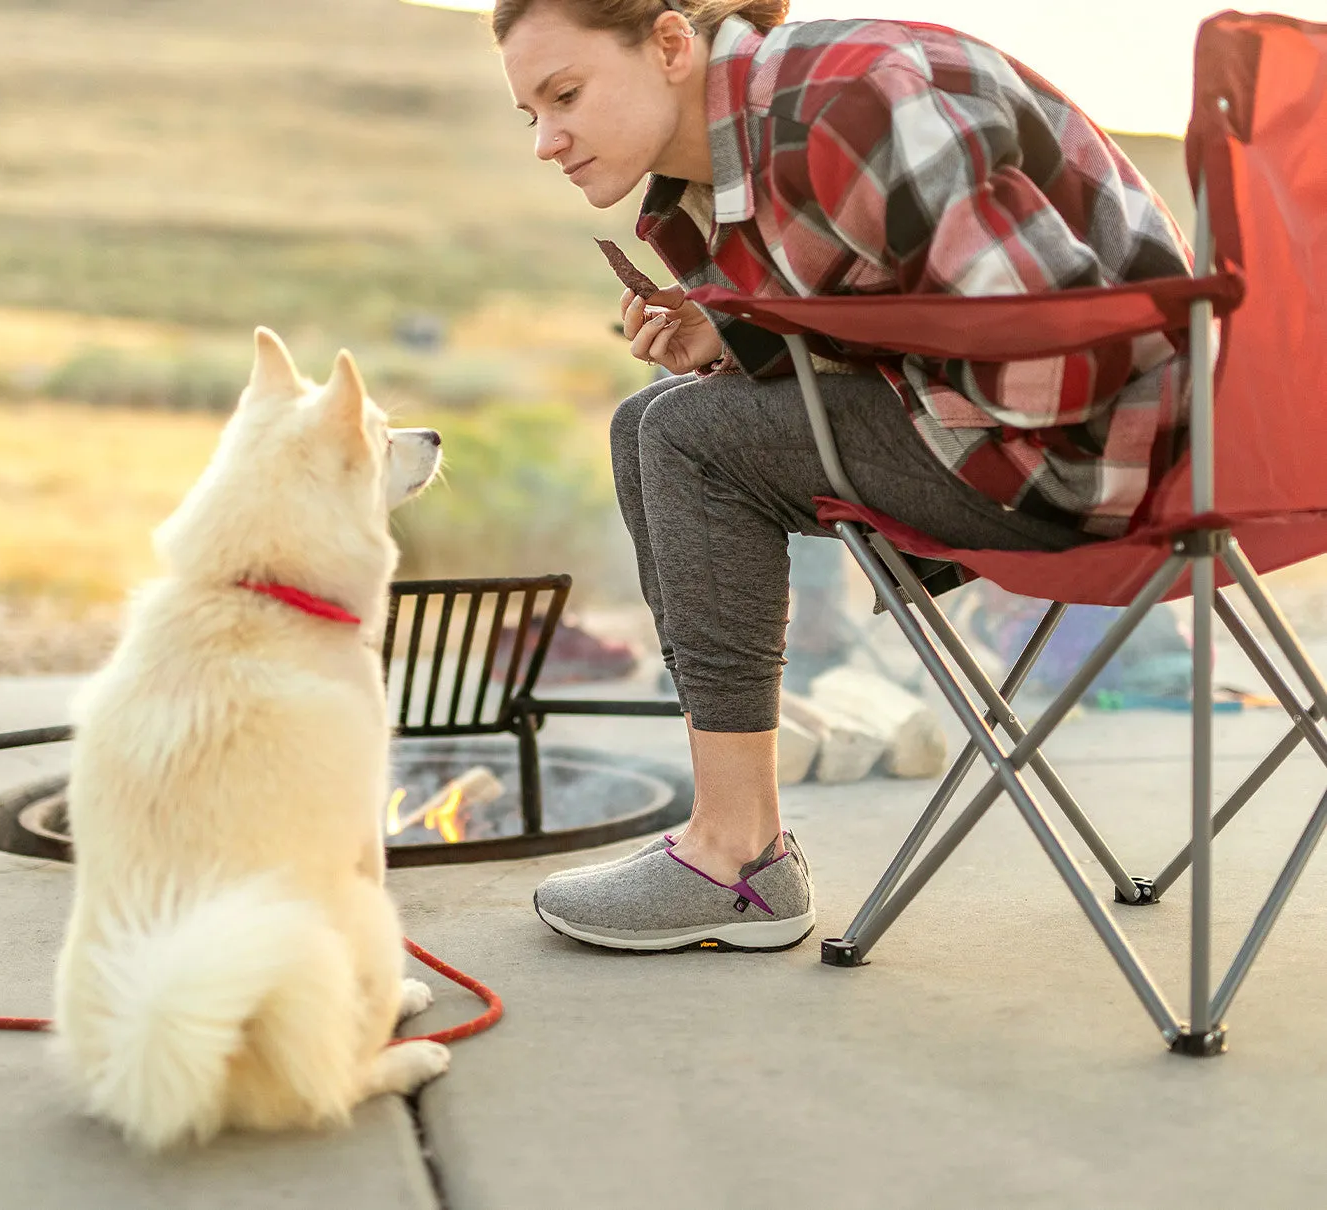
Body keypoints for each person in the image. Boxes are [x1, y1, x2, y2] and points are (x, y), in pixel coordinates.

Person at [496, 0, 1192, 952]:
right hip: (1055, 442)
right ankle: (739, 843)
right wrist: (743, 335)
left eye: (564, 95)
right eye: (530, 113)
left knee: (688, 439)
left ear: (668, 45)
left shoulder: (850, 99)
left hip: (1099, 460)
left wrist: (814, 345)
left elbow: (1062, 358)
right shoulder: (761, 138)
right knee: (651, 423)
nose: (546, 141)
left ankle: (735, 858)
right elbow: (917, 311)